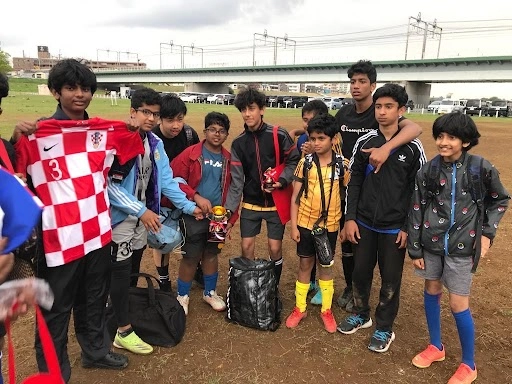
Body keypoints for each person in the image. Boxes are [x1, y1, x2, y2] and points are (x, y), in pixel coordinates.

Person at [12, 59, 144, 382]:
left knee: (94, 299)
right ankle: (53, 371)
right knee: (56, 308)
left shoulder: (103, 131)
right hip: (59, 238)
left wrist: (133, 131)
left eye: (85, 88)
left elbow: (125, 163)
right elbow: (13, 175)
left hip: (98, 230)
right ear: (56, 91)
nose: (79, 94)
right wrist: (17, 138)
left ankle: (95, 351)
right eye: (71, 87)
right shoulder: (35, 134)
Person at [408, 112, 509, 384]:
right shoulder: (427, 170)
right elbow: (417, 208)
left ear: (465, 141)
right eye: (440, 136)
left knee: (458, 302)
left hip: (463, 247)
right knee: (431, 289)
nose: (443, 142)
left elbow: (500, 200)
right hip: (431, 244)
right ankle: (436, 347)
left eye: (451, 137)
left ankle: (469, 364)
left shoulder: (480, 168)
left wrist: (487, 235)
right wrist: (415, 249)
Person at [107, 87, 202, 354]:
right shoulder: (121, 140)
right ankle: (120, 328)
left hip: (142, 219)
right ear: (133, 112)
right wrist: (140, 211)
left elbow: (167, 182)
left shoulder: (154, 144)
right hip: (121, 220)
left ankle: (123, 315)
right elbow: (110, 187)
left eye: (155, 113)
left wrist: (189, 206)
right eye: (145, 112)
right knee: (119, 269)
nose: (150, 118)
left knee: (133, 267)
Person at [337, 84, 426, 353]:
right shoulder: (366, 142)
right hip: (363, 223)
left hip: (393, 228)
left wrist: (407, 227)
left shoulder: (412, 148)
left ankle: (384, 327)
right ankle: (361, 314)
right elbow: (353, 184)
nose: (382, 112)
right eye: (378, 106)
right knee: (361, 273)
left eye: (389, 107)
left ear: (401, 111)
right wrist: (350, 218)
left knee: (390, 279)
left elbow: (418, 192)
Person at [224, 88, 300, 287]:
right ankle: (251, 289)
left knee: (275, 248)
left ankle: (272, 287)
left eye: (252, 108)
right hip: (251, 204)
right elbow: (237, 182)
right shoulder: (238, 143)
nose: (247, 114)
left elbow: (294, 161)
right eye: (243, 110)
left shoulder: (279, 134)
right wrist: (230, 212)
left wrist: (282, 181)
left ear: (262, 109)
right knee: (246, 246)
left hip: (276, 204)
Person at [170, 112, 238, 315]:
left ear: (226, 134)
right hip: (194, 214)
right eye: (212, 130)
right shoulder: (191, 154)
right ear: (205, 131)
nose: (216, 134)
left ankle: (209, 292)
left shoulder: (228, 159)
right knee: (191, 256)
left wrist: (229, 219)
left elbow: (234, 189)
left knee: (211, 253)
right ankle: (182, 295)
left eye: (221, 131)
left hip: (218, 218)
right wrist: (195, 197)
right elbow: (175, 180)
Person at [285, 113, 343, 333]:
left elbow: (346, 193)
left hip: (330, 226)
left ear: (333, 139)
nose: (316, 143)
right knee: (304, 265)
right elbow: (295, 198)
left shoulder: (342, 166)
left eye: (321, 138)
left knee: (326, 266)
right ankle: (300, 308)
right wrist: (294, 225)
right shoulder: (305, 164)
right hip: (306, 224)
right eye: (313, 138)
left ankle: (326, 310)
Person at [151, 94, 200, 291]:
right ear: (160, 118)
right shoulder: (151, 138)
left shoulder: (189, 135)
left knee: (190, 233)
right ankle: (163, 279)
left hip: (185, 193)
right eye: (170, 120)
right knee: (162, 239)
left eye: (180, 119)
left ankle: (194, 268)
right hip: (159, 197)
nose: (176, 125)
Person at [288, 100, 330, 305]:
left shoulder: (331, 140)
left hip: (327, 210)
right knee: (307, 254)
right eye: (304, 121)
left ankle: (323, 288)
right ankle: (309, 285)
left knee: (325, 254)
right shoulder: (304, 140)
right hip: (306, 205)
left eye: (310, 120)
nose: (306, 125)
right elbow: (301, 174)